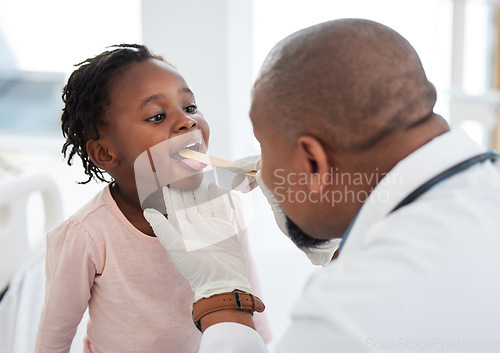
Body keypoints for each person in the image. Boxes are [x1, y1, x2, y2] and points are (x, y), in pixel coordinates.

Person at [145, 19, 500, 352]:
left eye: (266, 150)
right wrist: (340, 251)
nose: (263, 171)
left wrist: (223, 295)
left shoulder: (357, 309)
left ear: (313, 161)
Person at [34, 44, 271, 353]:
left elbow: (243, 286)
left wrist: (262, 342)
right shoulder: (87, 236)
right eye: (157, 116)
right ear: (105, 153)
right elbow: (53, 338)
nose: (188, 122)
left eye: (189, 107)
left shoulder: (226, 205)